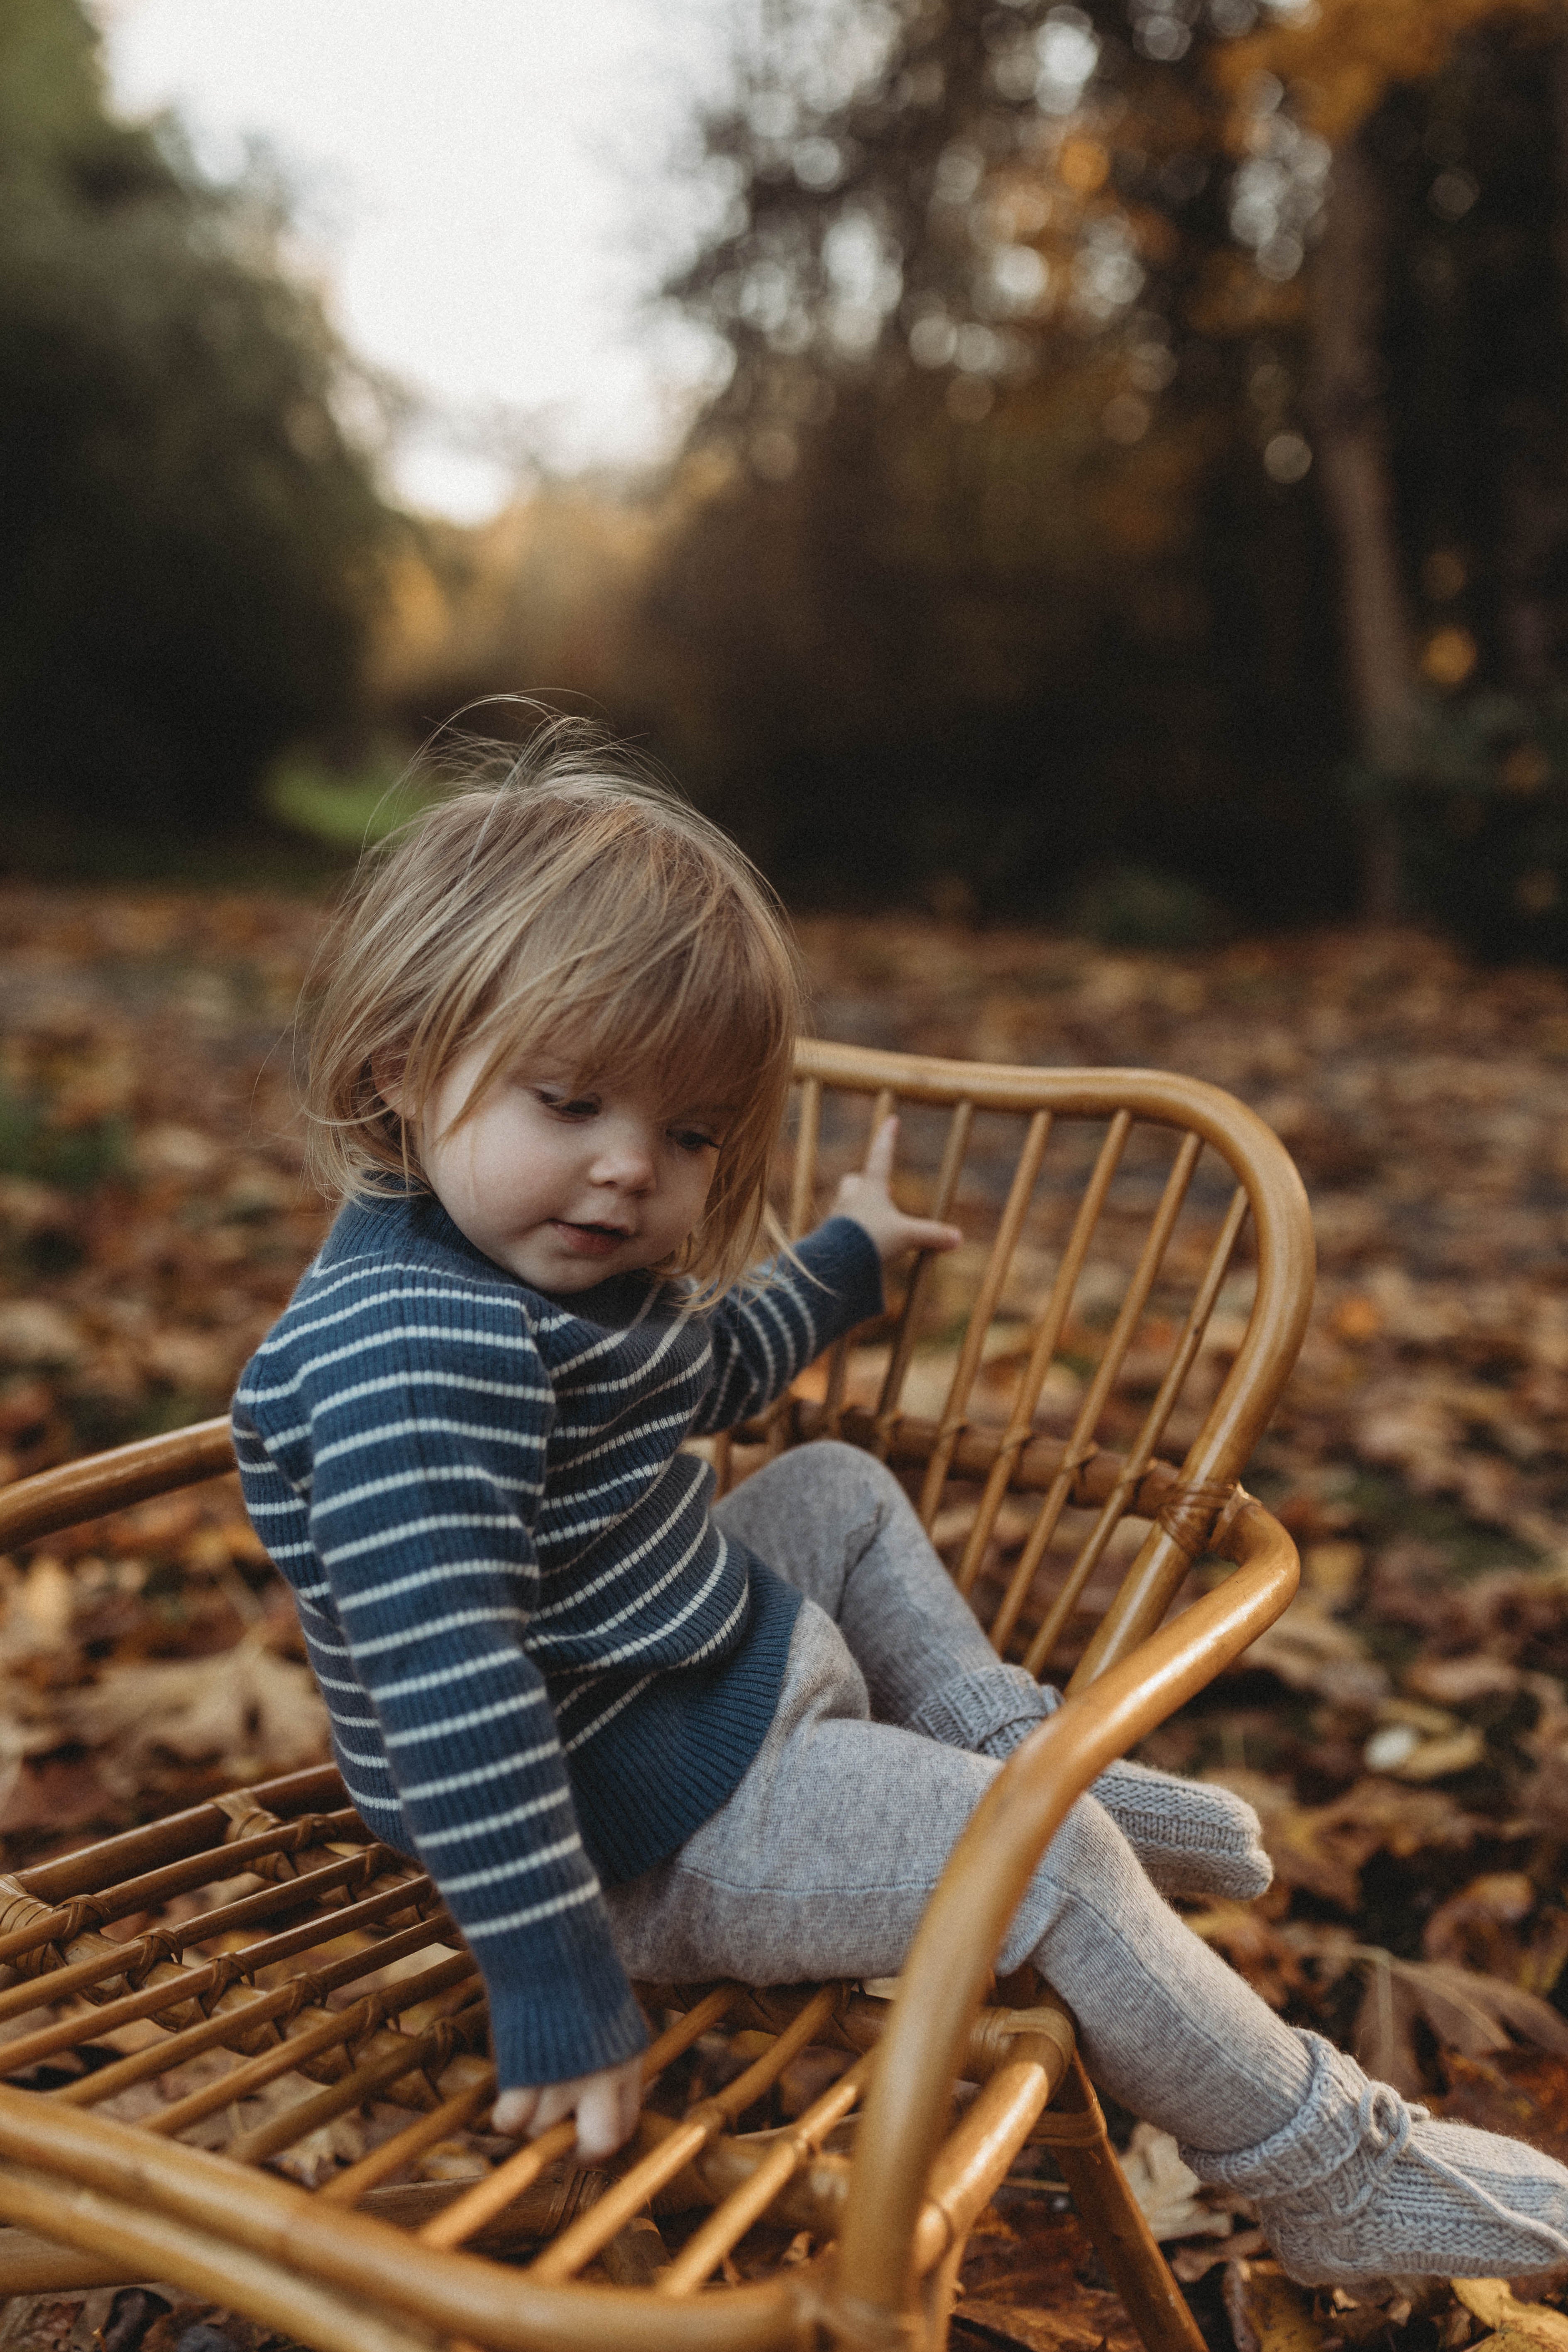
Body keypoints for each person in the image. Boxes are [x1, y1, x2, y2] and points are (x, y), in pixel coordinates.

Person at [234, 722, 1568, 2288]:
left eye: (687, 1135)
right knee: (1041, 1868)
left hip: (670, 1678)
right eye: (570, 1100)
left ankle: (1012, 1752)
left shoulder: (516, 1257)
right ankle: (1322, 2161)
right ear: (401, 1060)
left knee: (838, 1487)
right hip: (632, 1834)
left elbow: (702, 1372)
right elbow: (452, 1691)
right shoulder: (413, 1355)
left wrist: (838, 1265)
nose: (625, 1174)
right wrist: (553, 1970)